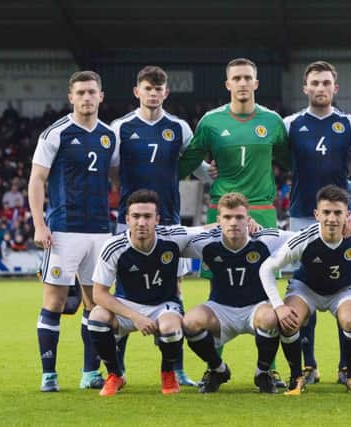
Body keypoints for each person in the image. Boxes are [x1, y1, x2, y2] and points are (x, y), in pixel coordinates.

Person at [178, 57, 289, 387]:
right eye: (236, 78)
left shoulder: (272, 121)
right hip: (221, 214)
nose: (242, 83)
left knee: (268, 287)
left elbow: (288, 159)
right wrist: (203, 172)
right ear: (227, 84)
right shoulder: (211, 122)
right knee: (220, 287)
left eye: (248, 78)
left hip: (263, 211)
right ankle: (215, 365)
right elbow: (187, 161)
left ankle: (266, 368)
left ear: (256, 83)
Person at [110, 65, 211, 386]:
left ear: (166, 93)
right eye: (147, 88)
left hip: (169, 222)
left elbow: (197, 167)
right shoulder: (121, 127)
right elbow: (110, 168)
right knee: (122, 292)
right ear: (137, 91)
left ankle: (176, 368)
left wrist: (220, 175)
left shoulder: (178, 128)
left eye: (158, 89)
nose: (153, 93)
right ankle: (117, 370)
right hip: (130, 224)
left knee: (175, 290)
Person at [28, 70, 118, 392]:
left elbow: (117, 177)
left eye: (92, 92)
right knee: (53, 302)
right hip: (64, 230)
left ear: (101, 96)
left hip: (100, 232)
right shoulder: (56, 133)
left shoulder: (110, 136)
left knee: (97, 305)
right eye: (80, 93)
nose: (86, 98)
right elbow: (37, 179)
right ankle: (49, 375)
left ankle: (89, 373)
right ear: (71, 97)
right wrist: (39, 224)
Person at [87, 189, 206, 396]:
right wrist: (136, 317)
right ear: (127, 219)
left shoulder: (172, 237)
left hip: (164, 306)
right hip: (129, 306)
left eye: (148, 216)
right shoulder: (114, 246)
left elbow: (206, 229)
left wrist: (244, 224)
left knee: (170, 327)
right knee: (97, 317)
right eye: (136, 216)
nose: (141, 222)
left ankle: (168, 373)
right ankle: (115, 374)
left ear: (157, 219)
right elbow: (98, 294)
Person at [282, 60, 351, 385]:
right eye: (315, 83)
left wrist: (349, 208)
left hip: (341, 219)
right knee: (306, 286)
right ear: (305, 88)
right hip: (301, 215)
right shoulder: (290, 124)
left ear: (335, 88)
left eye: (326, 83)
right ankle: (309, 365)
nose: (321, 88)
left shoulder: (349, 124)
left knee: (343, 282)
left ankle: (346, 367)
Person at [260, 185, 351, 396]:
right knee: (289, 321)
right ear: (316, 214)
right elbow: (267, 268)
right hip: (307, 289)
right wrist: (278, 307)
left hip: (343, 289)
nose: (332, 218)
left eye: (338, 212)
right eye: (326, 212)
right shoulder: (304, 238)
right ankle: (296, 377)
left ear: (348, 215)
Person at [182, 192, 293, 393]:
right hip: (220, 309)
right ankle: (218, 369)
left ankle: (263, 373)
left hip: (256, 308)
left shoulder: (265, 240)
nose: (233, 222)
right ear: (218, 221)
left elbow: (304, 238)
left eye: (239, 217)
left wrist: (345, 227)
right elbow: (174, 236)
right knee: (189, 322)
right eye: (227, 217)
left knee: (270, 317)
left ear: (248, 219)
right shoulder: (206, 243)